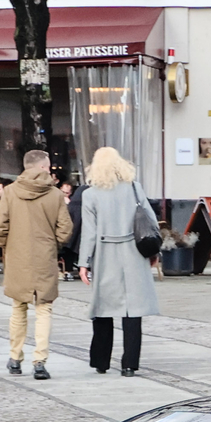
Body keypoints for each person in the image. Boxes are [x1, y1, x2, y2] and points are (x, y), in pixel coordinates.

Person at [78, 146, 159, 377]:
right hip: (133, 252)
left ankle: (101, 361)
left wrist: (84, 263)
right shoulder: (134, 188)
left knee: (102, 308)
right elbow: (150, 222)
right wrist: (154, 253)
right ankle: (130, 364)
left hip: (106, 253)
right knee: (133, 310)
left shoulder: (90, 194)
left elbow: (89, 233)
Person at [0, 148, 72, 380]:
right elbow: (65, 229)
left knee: (18, 307)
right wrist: (52, 244)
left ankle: (15, 357)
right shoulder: (55, 195)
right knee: (44, 308)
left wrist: (9, 245)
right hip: (44, 256)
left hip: (18, 256)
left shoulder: (10, 192)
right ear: (43, 167)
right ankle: (40, 360)